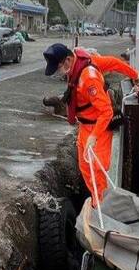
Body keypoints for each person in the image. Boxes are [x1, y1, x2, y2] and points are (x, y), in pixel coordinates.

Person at [43, 43, 115, 207]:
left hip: (98, 128)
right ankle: (97, 201)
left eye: (59, 67)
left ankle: (102, 208)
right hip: (84, 127)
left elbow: (106, 111)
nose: (59, 71)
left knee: (97, 170)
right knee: (85, 168)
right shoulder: (74, 71)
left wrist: (94, 137)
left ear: (68, 60)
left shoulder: (88, 78)